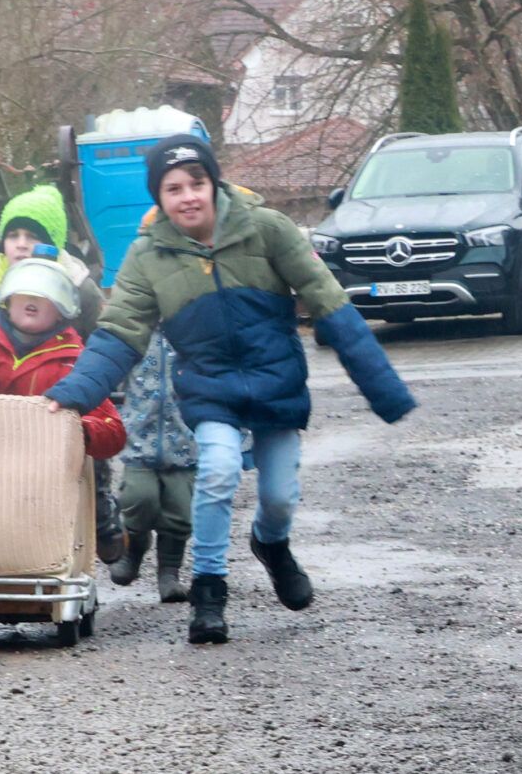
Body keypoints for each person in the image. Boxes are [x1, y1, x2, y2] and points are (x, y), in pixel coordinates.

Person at [45, 134, 416, 645]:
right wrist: (73, 392)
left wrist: (384, 389)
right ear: (159, 198)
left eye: (196, 183)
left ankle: (271, 544)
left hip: (276, 384)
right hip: (209, 388)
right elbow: (119, 334)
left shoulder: (268, 229)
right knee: (217, 472)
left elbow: (329, 302)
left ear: (214, 182)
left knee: (279, 497)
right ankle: (209, 593)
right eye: (173, 188)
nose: (188, 197)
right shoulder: (148, 256)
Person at [0, 251, 127, 562]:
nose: (32, 300)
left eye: (44, 295)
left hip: (44, 481)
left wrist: (77, 430)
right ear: (7, 298)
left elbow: (113, 432)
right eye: (24, 292)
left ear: (61, 309)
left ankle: (100, 517)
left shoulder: (76, 359)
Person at [108, 327, 196, 603]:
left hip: (185, 440)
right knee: (138, 497)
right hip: (139, 438)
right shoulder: (135, 330)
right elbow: (111, 372)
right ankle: (134, 549)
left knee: (180, 511)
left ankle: (169, 573)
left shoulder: (194, 328)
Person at [0, 184, 104, 339]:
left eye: (33, 236)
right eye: (13, 235)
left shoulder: (80, 288)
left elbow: (103, 343)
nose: (21, 244)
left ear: (52, 245)